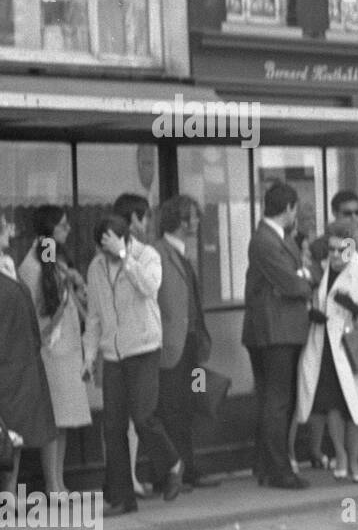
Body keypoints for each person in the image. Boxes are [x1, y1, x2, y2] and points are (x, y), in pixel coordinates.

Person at [83, 208, 184, 512]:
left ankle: (172, 463)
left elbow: (150, 288)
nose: (107, 256)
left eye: (111, 248)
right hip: (112, 353)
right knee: (112, 427)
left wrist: (125, 256)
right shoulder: (96, 267)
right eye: (104, 249)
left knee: (143, 418)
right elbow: (94, 316)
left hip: (142, 348)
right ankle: (122, 497)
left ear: (124, 239)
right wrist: (89, 356)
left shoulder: (147, 256)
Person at [297, 221, 358, 484]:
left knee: (353, 406)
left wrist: (357, 310)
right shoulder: (324, 273)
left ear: (351, 248)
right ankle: (341, 456)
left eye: (340, 250)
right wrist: (312, 314)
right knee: (332, 404)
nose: (334, 255)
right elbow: (313, 300)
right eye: (331, 249)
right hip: (325, 347)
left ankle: (354, 459)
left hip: (351, 349)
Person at [242, 181, 315, 490]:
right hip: (275, 331)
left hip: (278, 328)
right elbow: (293, 283)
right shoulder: (265, 240)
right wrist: (305, 277)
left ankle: (265, 465)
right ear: (288, 209)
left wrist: (300, 276)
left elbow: (291, 279)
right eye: (295, 209)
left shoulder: (274, 238)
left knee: (272, 400)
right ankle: (279, 470)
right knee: (277, 401)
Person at [18, 205, 89, 494]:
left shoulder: (55, 259)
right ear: (48, 230)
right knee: (55, 420)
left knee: (67, 421)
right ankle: (52, 484)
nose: (68, 229)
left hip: (69, 349)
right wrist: (62, 294)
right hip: (51, 350)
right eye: (61, 225)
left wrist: (73, 284)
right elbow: (38, 311)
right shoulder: (35, 265)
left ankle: (58, 480)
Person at [154, 196, 217, 491]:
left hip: (192, 346)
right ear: (181, 221)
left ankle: (190, 468)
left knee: (191, 404)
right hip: (170, 349)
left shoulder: (183, 254)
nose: (197, 222)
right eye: (193, 217)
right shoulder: (158, 253)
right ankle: (170, 473)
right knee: (171, 409)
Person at [0, 249, 58, 498]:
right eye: (4, 227)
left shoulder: (10, 267)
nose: (10, 231)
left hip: (22, 360)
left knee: (17, 433)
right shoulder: (35, 256)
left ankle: (11, 495)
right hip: (9, 361)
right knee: (10, 430)